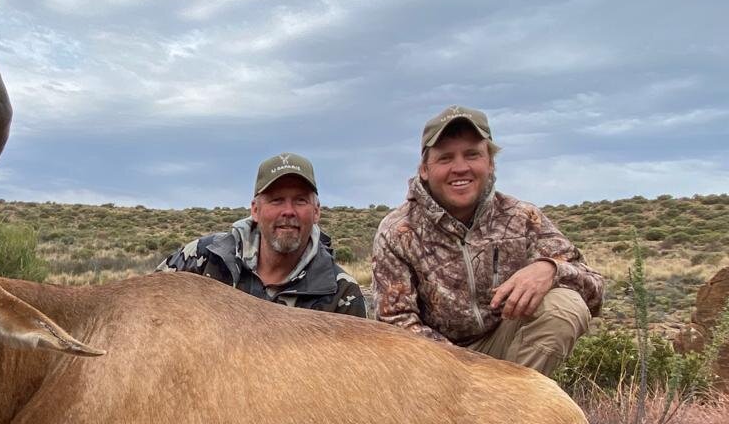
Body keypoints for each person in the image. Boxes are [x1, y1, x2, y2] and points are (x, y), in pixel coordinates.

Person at [372, 105, 603, 374]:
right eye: (446, 158)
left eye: (472, 155)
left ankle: (514, 409)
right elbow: (396, 324)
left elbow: (595, 290)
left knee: (565, 307)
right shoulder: (397, 231)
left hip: (506, 353)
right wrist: (470, 374)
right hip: (435, 366)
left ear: (490, 163)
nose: (460, 168)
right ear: (424, 169)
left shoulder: (522, 217)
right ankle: (488, 407)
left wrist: (550, 269)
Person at [157, 153, 367, 317]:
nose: (288, 211)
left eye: (300, 200)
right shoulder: (202, 258)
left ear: (316, 211)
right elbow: (146, 310)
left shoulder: (341, 293)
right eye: (276, 200)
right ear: (255, 210)